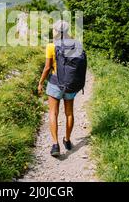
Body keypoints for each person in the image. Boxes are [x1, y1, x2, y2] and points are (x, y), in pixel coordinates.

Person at [38, 20, 83, 157]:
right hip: (70, 84)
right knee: (69, 113)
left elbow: (47, 68)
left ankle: (55, 144)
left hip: (55, 83)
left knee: (53, 113)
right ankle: (67, 140)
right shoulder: (76, 44)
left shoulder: (51, 46)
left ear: (56, 31)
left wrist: (40, 83)